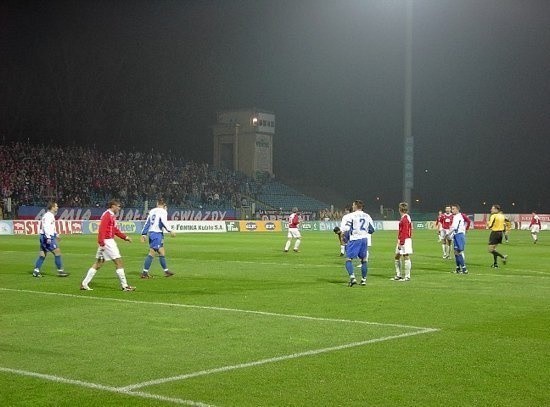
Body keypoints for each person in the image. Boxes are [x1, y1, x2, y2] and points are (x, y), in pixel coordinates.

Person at [80, 199, 135, 291]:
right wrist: (101, 242)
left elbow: (115, 230)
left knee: (99, 263)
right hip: (107, 242)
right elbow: (102, 229)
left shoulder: (111, 215)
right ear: (113, 206)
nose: (119, 208)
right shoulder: (107, 215)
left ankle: (84, 284)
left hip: (106, 242)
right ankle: (125, 286)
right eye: (118, 206)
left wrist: (125, 237)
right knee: (118, 262)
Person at [340, 200, 374, 287]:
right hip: (364, 239)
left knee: (349, 259)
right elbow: (372, 230)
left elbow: (346, 228)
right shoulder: (367, 216)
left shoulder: (351, 216)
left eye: (353, 205)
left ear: (355, 206)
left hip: (355, 239)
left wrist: (344, 237)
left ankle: (352, 278)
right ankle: (363, 280)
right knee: (364, 260)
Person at [140, 198, 176, 278]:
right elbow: (164, 222)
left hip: (152, 233)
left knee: (162, 252)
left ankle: (166, 271)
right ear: (164, 205)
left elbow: (147, 222)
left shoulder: (152, 211)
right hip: (157, 233)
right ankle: (144, 273)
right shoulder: (163, 211)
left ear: (157, 203)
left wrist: (144, 234)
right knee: (152, 253)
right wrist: (170, 230)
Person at [32, 201, 68, 277]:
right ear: (52, 207)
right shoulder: (49, 216)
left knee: (42, 255)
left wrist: (56, 234)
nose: (57, 207)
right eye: (56, 206)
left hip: (44, 236)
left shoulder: (48, 215)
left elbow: (51, 227)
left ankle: (36, 271)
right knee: (57, 252)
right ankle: (60, 271)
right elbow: (46, 227)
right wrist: (48, 237)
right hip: (47, 237)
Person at [392, 202, 413, 281]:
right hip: (402, 239)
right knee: (397, 256)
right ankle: (399, 275)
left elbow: (404, 231)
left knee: (405, 256)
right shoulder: (405, 217)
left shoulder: (405, 218)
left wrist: (401, 242)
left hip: (405, 240)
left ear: (400, 209)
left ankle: (407, 276)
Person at [448, 204, 468, 274]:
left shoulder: (457, 217)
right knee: (456, 252)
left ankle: (464, 269)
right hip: (457, 235)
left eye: (453, 209)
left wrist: (448, 234)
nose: (452, 210)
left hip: (459, 235)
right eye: (452, 209)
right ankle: (458, 268)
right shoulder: (457, 216)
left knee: (458, 252)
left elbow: (454, 227)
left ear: (457, 209)